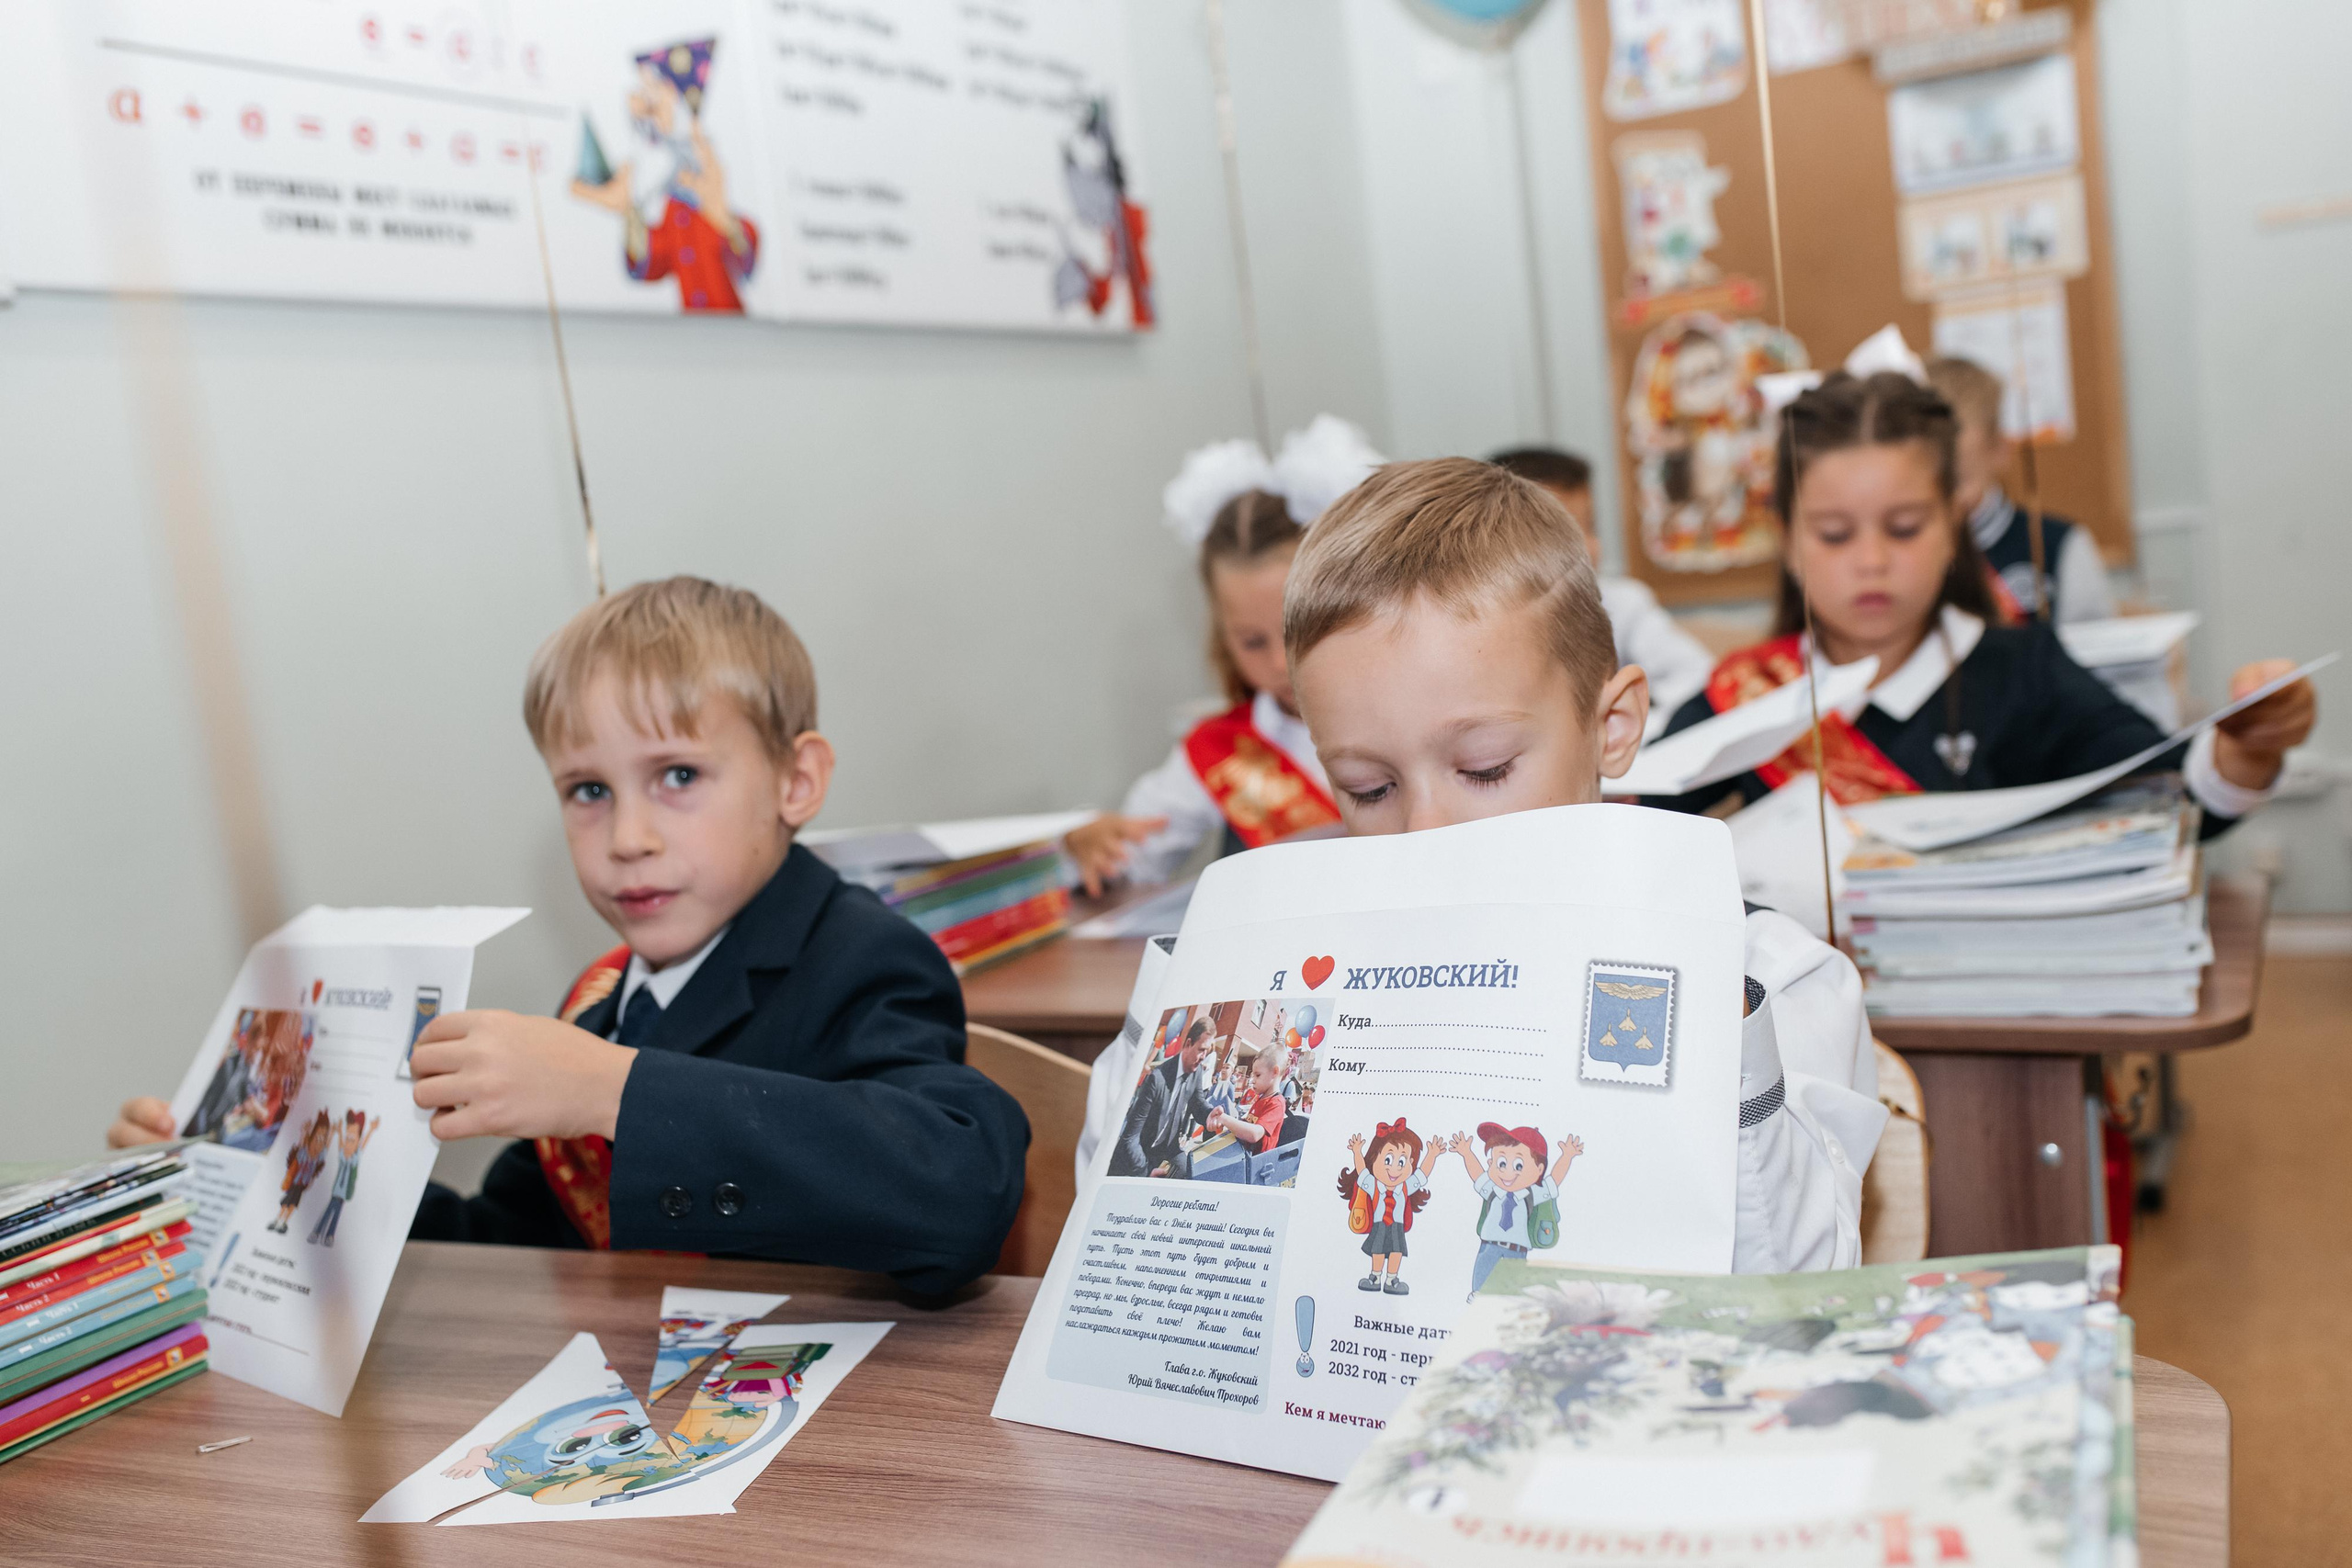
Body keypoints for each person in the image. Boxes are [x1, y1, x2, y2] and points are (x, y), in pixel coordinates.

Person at [113, 578, 1027, 1297]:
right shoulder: (603, 995)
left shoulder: (861, 955)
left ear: (796, 780)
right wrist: (273, 1167)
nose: (627, 836)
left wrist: (616, 1091)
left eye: (677, 774)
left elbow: (961, 1189)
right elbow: (519, 1244)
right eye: (588, 791)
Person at [1283, 457, 1889, 1272]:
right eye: (1369, 787)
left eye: (1486, 768)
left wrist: (1721, 1025)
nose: (1427, 832)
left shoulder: (1779, 978)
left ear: (1612, 727)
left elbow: (1794, 1280)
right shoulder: (1318, 965)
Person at [1643, 369, 2316, 831]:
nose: (1872, 560)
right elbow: (1637, 830)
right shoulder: (1750, 692)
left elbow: (2174, 798)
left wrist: (2248, 748)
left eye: (1904, 528)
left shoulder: (2024, 669)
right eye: (1835, 534)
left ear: (1951, 529)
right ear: (1788, 544)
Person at [1063, 416, 1382, 893]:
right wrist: (1092, 845)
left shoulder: (1411, 713)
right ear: (1221, 638)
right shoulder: (1220, 750)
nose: (1279, 664)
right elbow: (1129, 858)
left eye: (1296, 630)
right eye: (1252, 641)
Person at [1489, 446, 1715, 728]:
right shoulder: (1489, 627)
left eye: (1591, 527)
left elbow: (1699, 672)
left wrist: (1626, 719)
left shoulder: (1623, 602)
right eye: (1567, 532)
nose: (1592, 547)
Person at [1923, 355, 2113, 625]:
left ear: (2001, 449)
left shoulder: (2060, 546)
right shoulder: (1906, 552)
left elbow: (2094, 655)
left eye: (1959, 481)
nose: (1948, 498)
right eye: (1934, 482)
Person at [1110, 1018, 1216, 1178]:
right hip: (1139, 1152)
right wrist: (1146, 1172)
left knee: (1189, 1172)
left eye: (1207, 1052)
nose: (1203, 1057)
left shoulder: (1197, 1072)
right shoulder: (1157, 1078)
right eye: (1201, 1050)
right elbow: (1130, 1137)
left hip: (1168, 1148)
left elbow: (1198, 1103)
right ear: (1188, 1044)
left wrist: (1210, 1114)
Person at [1204, 1044, 1287, 1153]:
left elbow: (1254, 1134)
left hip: (1256, 1164)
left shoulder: (1277, 1103)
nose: (1253, 1080)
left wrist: (1223, 1118)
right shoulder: (1260, 1099)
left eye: (1257, 1075)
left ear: (1275, 1072)